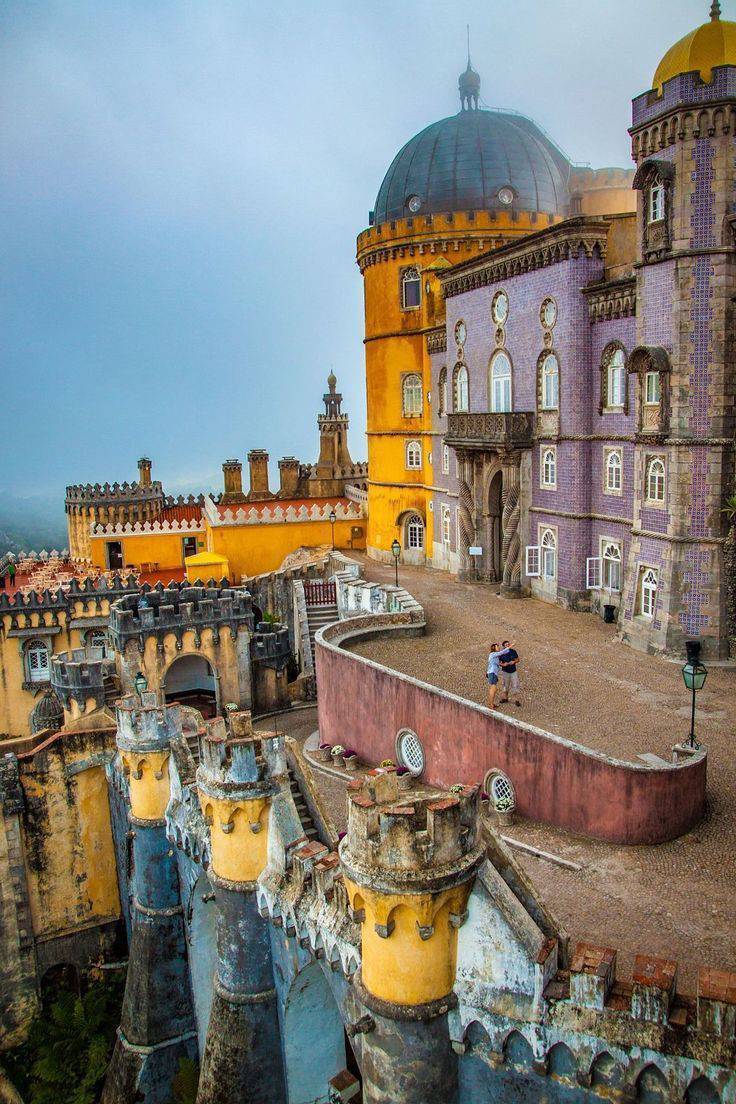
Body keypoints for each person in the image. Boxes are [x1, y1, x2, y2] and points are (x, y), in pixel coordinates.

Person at [498, 639, 522, 707]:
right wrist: (503, 665)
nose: (508, 645)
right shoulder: (501, 653)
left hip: (513, 671)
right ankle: (505, 698)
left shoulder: (513, 651)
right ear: (503, 646)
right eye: (506, 645)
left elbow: (518, 659)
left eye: (508, 644)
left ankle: (516, 700)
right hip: (505, 672)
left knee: (515, 686)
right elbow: (499, 662)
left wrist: (514, 662)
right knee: (506, 686)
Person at [486, 642, 507, 710]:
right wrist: (510, 646)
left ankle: (491, 703)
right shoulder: (493, 654)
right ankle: (490, 704)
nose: (498, 647)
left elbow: (498, 664)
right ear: (494, 648)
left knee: (494, 689)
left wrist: (504, 665)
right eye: (497, 646)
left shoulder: (495, 656)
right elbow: (502, 652)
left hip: (493, 673)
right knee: (493, 688)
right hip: (492, 673)